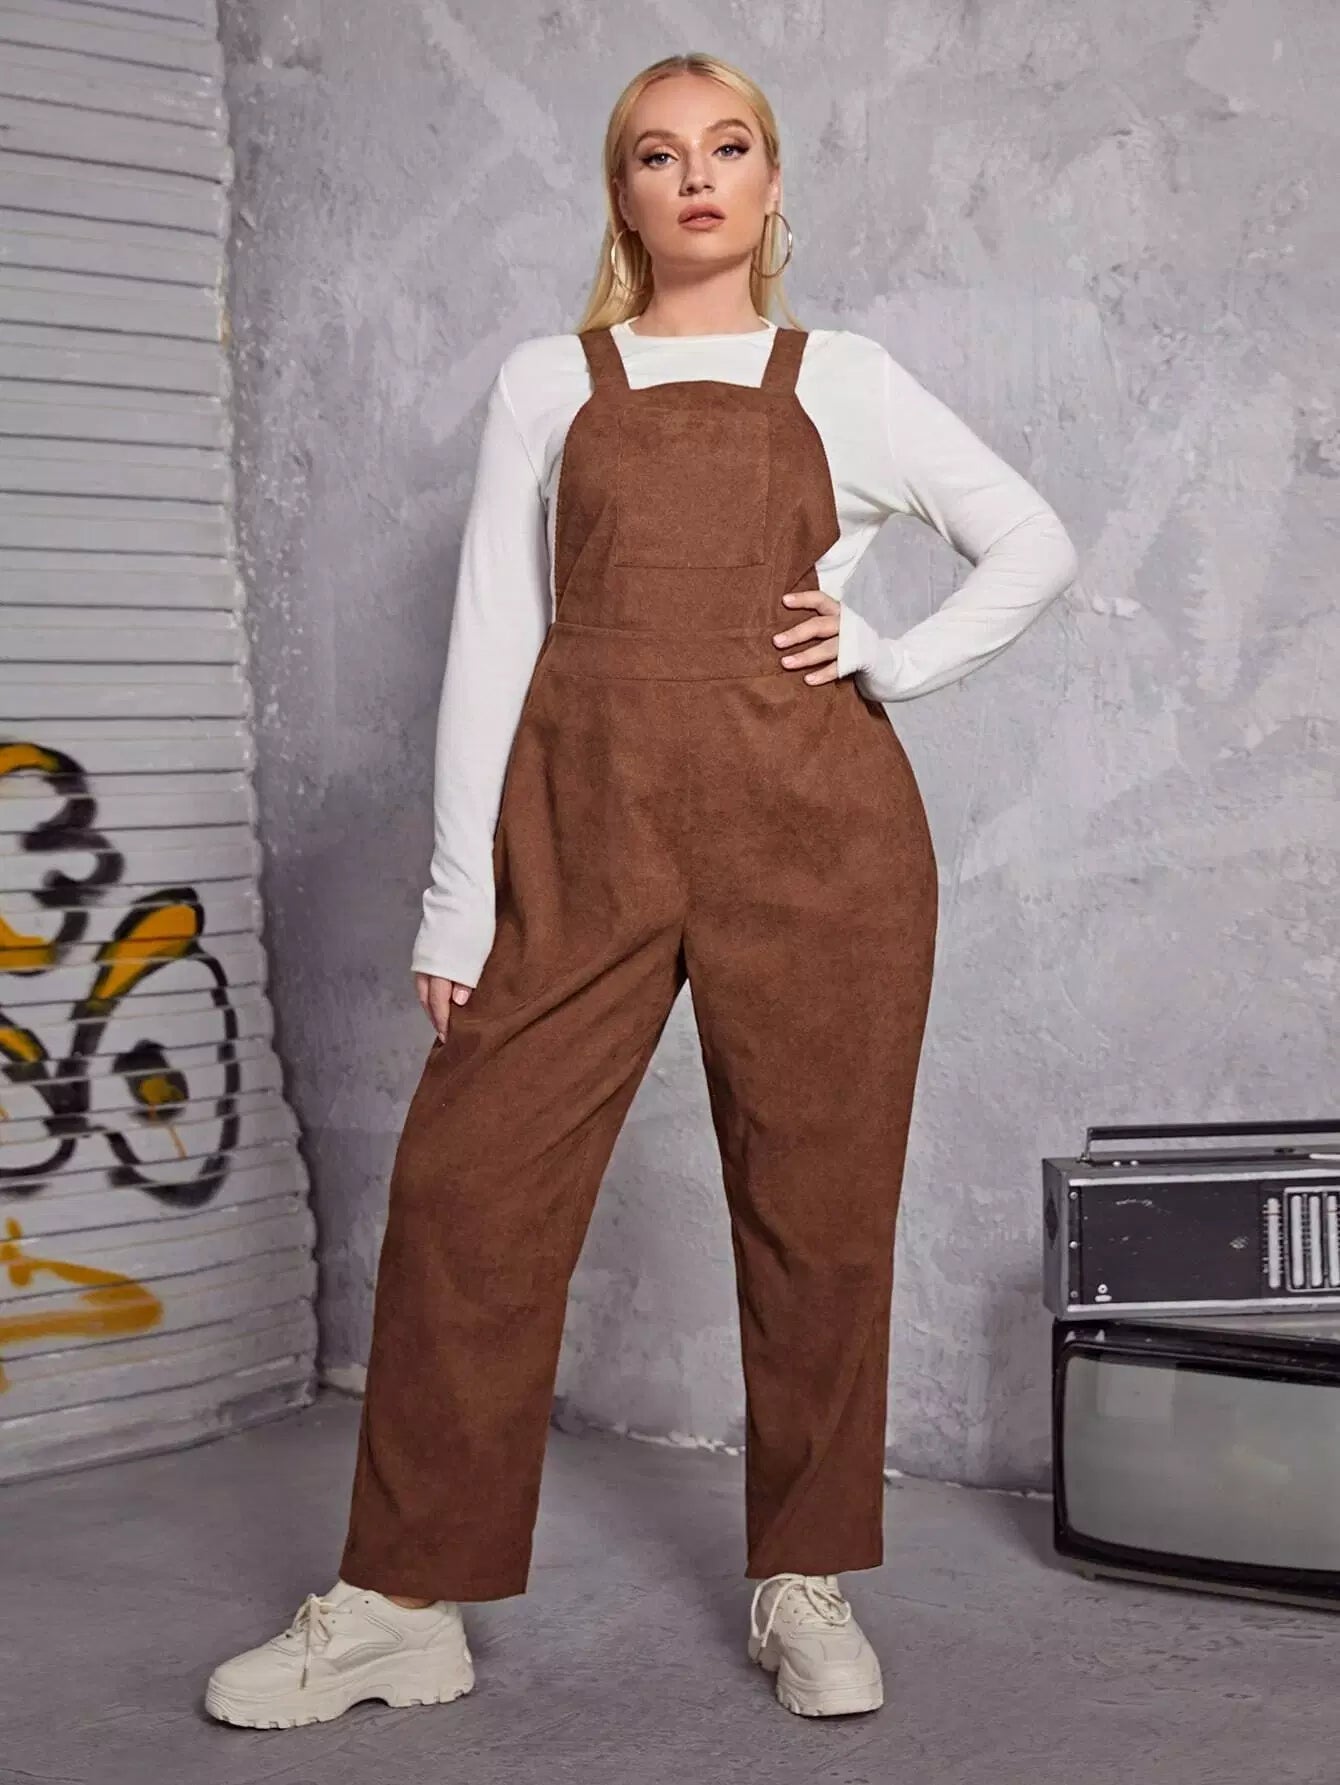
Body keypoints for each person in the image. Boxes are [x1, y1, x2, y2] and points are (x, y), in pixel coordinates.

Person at [205, 50, 1079, 1728]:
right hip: (582, 836)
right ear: (621, 193)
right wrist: (458, 900)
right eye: (658, 155)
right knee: (467, 1195)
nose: (696, 179)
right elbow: (492, 640)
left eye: (727, 148)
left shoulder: (849, 379)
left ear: (770, 183)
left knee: (819, 1217)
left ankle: (802, 1576)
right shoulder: (550, 381)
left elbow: (1032, 540)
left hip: (818, 845)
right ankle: (400, 1604)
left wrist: (890, 657)